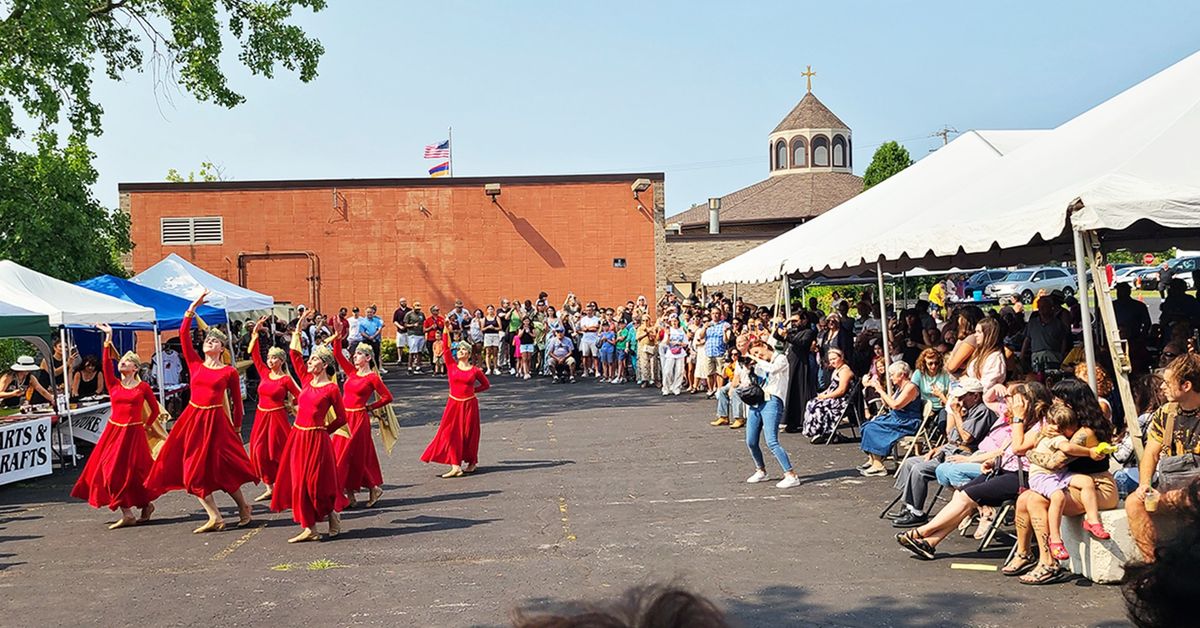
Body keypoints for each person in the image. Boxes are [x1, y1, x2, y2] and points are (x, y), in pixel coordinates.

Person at [896, 381, 1050, 563]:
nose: (1010, 404)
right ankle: (930, 542)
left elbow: (1018, 448)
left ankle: (922, 532)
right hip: (1002, 468)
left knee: (965, 496)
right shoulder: (1019, 420)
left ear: (1029, 403)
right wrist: (994, 461)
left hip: (1022, 477)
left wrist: (1017, 419)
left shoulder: (1041, 424)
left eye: (1015, 400)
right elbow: (1006, 449)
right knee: (961, 495)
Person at [147, 291, 258, 534]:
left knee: (223, 469)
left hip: (216, 422)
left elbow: (237, 403)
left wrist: (238, 428)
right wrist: (191, 308)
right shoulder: (195, 364)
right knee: (192, 470)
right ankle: (215, 516)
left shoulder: (228, 372)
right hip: (193, 420)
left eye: (215, 341)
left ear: (221, 348)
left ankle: (243, 507)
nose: (209, 342)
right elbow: (185, 335)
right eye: (207, 340)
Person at [1008, 379, 1117, 584]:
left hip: (1096, 487)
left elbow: (1054, 463)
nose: (1054, 405)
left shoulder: (1084, 433)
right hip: (1072, 482)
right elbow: (1017, 448)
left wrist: (1032, 452)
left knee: (1035, 500)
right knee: (1024, 499)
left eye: (1058, 400)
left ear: (1072, 404)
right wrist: (1038, 431)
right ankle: (1024, 553)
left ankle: (1048, 562)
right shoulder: (1062, 426)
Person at [70, 324, 166, 529]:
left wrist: (147, 426)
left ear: (135, 368)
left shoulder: (142, 387)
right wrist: (108, 338)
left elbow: (156, 411)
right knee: (110, 470)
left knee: (135, 473)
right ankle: (128, 512)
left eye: (128, 362)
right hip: (114, 432)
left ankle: (144, 505)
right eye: (122, 361)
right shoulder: (113, 384)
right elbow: (106, 363)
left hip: (134, 433)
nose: (123, 363)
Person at [274, 330, 349, 543]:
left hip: (317, 439)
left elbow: (342, 418)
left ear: (324, 364)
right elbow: (294, 356)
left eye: (314, 358)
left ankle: (332, 513)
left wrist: (325, 430)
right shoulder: (306, 381)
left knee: (316, 483)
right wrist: (297, 329)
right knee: (299, 482)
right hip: (298, 437)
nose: (309, 361)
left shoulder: (332, 388)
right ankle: (310, 528)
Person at [890, 377, 996, 527]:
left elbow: (966, 438)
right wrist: (936, 448)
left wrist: (957, 414)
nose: (958, 400)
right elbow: (953, 439)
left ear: (975, 396)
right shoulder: (967, 409)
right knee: (909, 462)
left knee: (920, 469)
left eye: (962, 396)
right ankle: (908, 506)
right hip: (949, 449)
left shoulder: (982, 411)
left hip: (964, 454)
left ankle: (917, 512)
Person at [1125, 353, 1200, 563]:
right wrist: (1144, 485)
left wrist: (1171, 497)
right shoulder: (1166, 413)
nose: (1161, 388)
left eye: (1167, 383)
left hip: (1195, 493)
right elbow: (1151, 452)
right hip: (1171, 490)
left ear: (1186, 385)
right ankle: (1153, 566)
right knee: (1134, 502)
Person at [330, 326, 392, 508]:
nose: (354, 356)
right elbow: (338, 356)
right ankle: (350, 495)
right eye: (354, 354)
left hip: (358, 418)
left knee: (351, 455)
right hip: (345, 418)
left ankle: (373, 487)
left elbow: (388, 397)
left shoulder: (372, 377)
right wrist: (338, 337)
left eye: (358, 354)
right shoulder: (351, 372)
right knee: (342, 455)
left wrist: (370, 407)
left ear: (368, 357)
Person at [421, 323, 491, 477]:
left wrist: (474, 390)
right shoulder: (451, 365)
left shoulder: (474, 370)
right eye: (459, 349)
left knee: (469, 434)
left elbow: (486, 385)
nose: (460, 351)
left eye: (463, 349)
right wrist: (446, 330)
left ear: (469, 353)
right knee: (450, 433)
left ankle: (472, 462)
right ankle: (455, 465)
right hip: (454, 404)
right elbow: (446, 349)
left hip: (470, 404)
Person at [246, 317, 302, 503]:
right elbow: (255, 355)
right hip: (261, 417)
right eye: (269, 358)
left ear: (282, 360)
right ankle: (269, 487)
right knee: (259, 452)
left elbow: (301, 396)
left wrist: (294, 408)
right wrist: (256, 332)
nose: (270, 361)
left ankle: (288, 486)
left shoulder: (286, 380)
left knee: (279, 453)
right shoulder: (263, 372)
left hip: (277, 419)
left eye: (275, 358)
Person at [742, 339, 800, 489]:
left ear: (764, 346)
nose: (758, 356)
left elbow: (773, 369)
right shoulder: (761, 365)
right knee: (751, 440)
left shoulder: (781, 358)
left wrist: (756, 360)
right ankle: (760, 470)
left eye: (757, 352)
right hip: (757, 401)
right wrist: (749, 370)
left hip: (773, 400)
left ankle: (791, 474)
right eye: (754, 354)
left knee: (771, 441)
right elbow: (757, 381)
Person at [858, 361, 922, 476]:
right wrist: (879, 390)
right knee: (867, 425)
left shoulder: (910, 387)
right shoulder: (899, 388)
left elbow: (896, 405)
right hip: (897, 418)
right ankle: (874, 459)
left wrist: (881, 390)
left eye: (892, 374)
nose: (891, 377)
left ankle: (878, 464)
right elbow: (888, 403)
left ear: (902, 374)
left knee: (873, 428)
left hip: (907, 421)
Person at [774, 313, 817, 433]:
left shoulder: (809, 332)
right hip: (790, 363)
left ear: (804, 320)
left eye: (796, 321)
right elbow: (777, 335)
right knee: (790, 392)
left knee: (799, 391)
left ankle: (802, 419)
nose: (794, 323)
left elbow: (802, 343)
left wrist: (787, 335)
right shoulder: (792, 330)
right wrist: (786, 322)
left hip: (800, 364)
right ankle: (790, 420)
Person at [802, 349, 854, 442]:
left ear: (841, 357)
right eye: (831, 360)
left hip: (841, 401)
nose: (832, 362)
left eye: (834, 358)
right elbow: (831, 387)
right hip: (833, 396)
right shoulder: (837, 370)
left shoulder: (845, 371)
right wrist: (823, 394)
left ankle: (826, 431)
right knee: (811, 403)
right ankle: (819, 431)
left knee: (818, 406)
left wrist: (826, 396)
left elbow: (841, 390)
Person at [1022, 295, 1070, 373]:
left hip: (1054, 356)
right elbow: (1027, 339)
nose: (1042, 310)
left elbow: (1063, 341)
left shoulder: (1058, 324)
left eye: (1045, 307)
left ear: (1051, 308)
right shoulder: (1032, 323)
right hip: (1037, 356)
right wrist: (1022, 355)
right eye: (1040, 307)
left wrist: (1061, 355)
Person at [712, 347, 747, 428]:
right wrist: (725, 367)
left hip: (741, 382)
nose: (733, 356)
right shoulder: (730, 364)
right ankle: (723, 416)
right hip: (731, 382)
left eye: (736, 354)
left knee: (735, 391)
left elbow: (737, 377)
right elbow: (723, 376)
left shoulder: (741, 363)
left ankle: (739, 418)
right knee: (722, 390)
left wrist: (732, 388)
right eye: (731, 354)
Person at [660, 317, 688, 396]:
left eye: (675, 321)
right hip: (670, 353)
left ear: (678, 321)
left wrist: (679, 344)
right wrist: (668, 335)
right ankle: (666, 388)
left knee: (679, 371)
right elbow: (666, 343)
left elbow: (685, 343)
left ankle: (676, 387)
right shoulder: (669, 331)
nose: (674, 323)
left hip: (680, 352)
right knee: (667, 371)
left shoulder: (681, 331)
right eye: (672, 321)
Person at [357, 305, 385, 374]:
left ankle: (377, 372)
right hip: (366, 341)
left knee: (376, 356)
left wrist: (374, 336)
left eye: (371, 312)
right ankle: (367, 372)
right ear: (365, 313)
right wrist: (369, 337)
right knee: (366, 357)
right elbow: (362, 332)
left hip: (375, 340)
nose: (369, 313)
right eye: (368, 312)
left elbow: (379, 329)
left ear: (373, 313)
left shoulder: (377, 321)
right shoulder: (362, 322)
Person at [636, 315, 659, 388]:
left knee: (654, 364)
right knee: (644, 364)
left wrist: (650, 333)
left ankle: (655, 380)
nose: (645, 322)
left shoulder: (652, 328)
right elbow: (637, 338)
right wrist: (646, 333)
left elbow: (654, 337)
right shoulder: (640, 328)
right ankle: (645, 380)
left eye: (647, 320)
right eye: (643, 320)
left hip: (652, 347)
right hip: (643, 347)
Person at [404, 302, 427, 374]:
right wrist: (413, 325)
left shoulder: (421, 314)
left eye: (419, 309)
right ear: (413, 307)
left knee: (420, 351)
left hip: (421, 334)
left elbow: (424, 323)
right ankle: (410, 368)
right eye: (416, 308)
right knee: (412, 351)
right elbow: (405, 324)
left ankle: (418, 367)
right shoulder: (409, 314)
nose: (418, 310)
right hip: (412, 334)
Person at [481, 304, 502, 375]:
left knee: (495, 351)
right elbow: (482, 329)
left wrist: (494, 328)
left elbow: (500, 327)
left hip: (495, 335)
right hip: (487, 335)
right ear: (487, 311)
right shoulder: (484, 318)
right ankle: (488, 368)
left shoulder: (497, 318)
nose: (491, 311)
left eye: (492, 309)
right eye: (489, 309)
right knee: (488, 352)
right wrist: (488, 327)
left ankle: (495, 368)